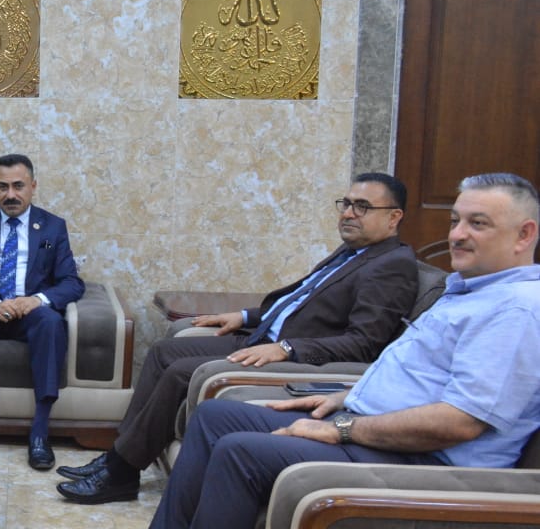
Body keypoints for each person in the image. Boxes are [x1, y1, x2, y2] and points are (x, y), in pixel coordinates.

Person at [85, 172, 540, 529]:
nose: (457, 235)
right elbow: (420, 377)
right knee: (216, 417)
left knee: (241, 453)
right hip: (379, 426)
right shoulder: (470, 291)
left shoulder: (516, 312)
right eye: (456, 221)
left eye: (478, 224)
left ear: (524, 234)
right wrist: (348, 397)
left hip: (424, 461)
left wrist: (343, 428)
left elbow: (460, 423)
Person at [58, 172, 419, 504]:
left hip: (290, 356)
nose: (349, 214)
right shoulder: (353, 252)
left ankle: (121, 473)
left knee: (181, 372)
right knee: (164, 351)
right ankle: (118, 455)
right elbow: (300, 303)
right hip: (260, 336)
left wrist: (287, 348)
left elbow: (364, 343)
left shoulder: (392, 266)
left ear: (394, 217)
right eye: (346, 204)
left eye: (363, 207)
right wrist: (245, 316)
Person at [0, 154, 84, 471]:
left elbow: (71, 283)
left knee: (51, 323)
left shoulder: (52, 227)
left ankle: (39, 433)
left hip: (29, 312)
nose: (10, 194)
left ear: (33, 186)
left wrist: (37, 299)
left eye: (18, 186)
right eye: (3, 187)